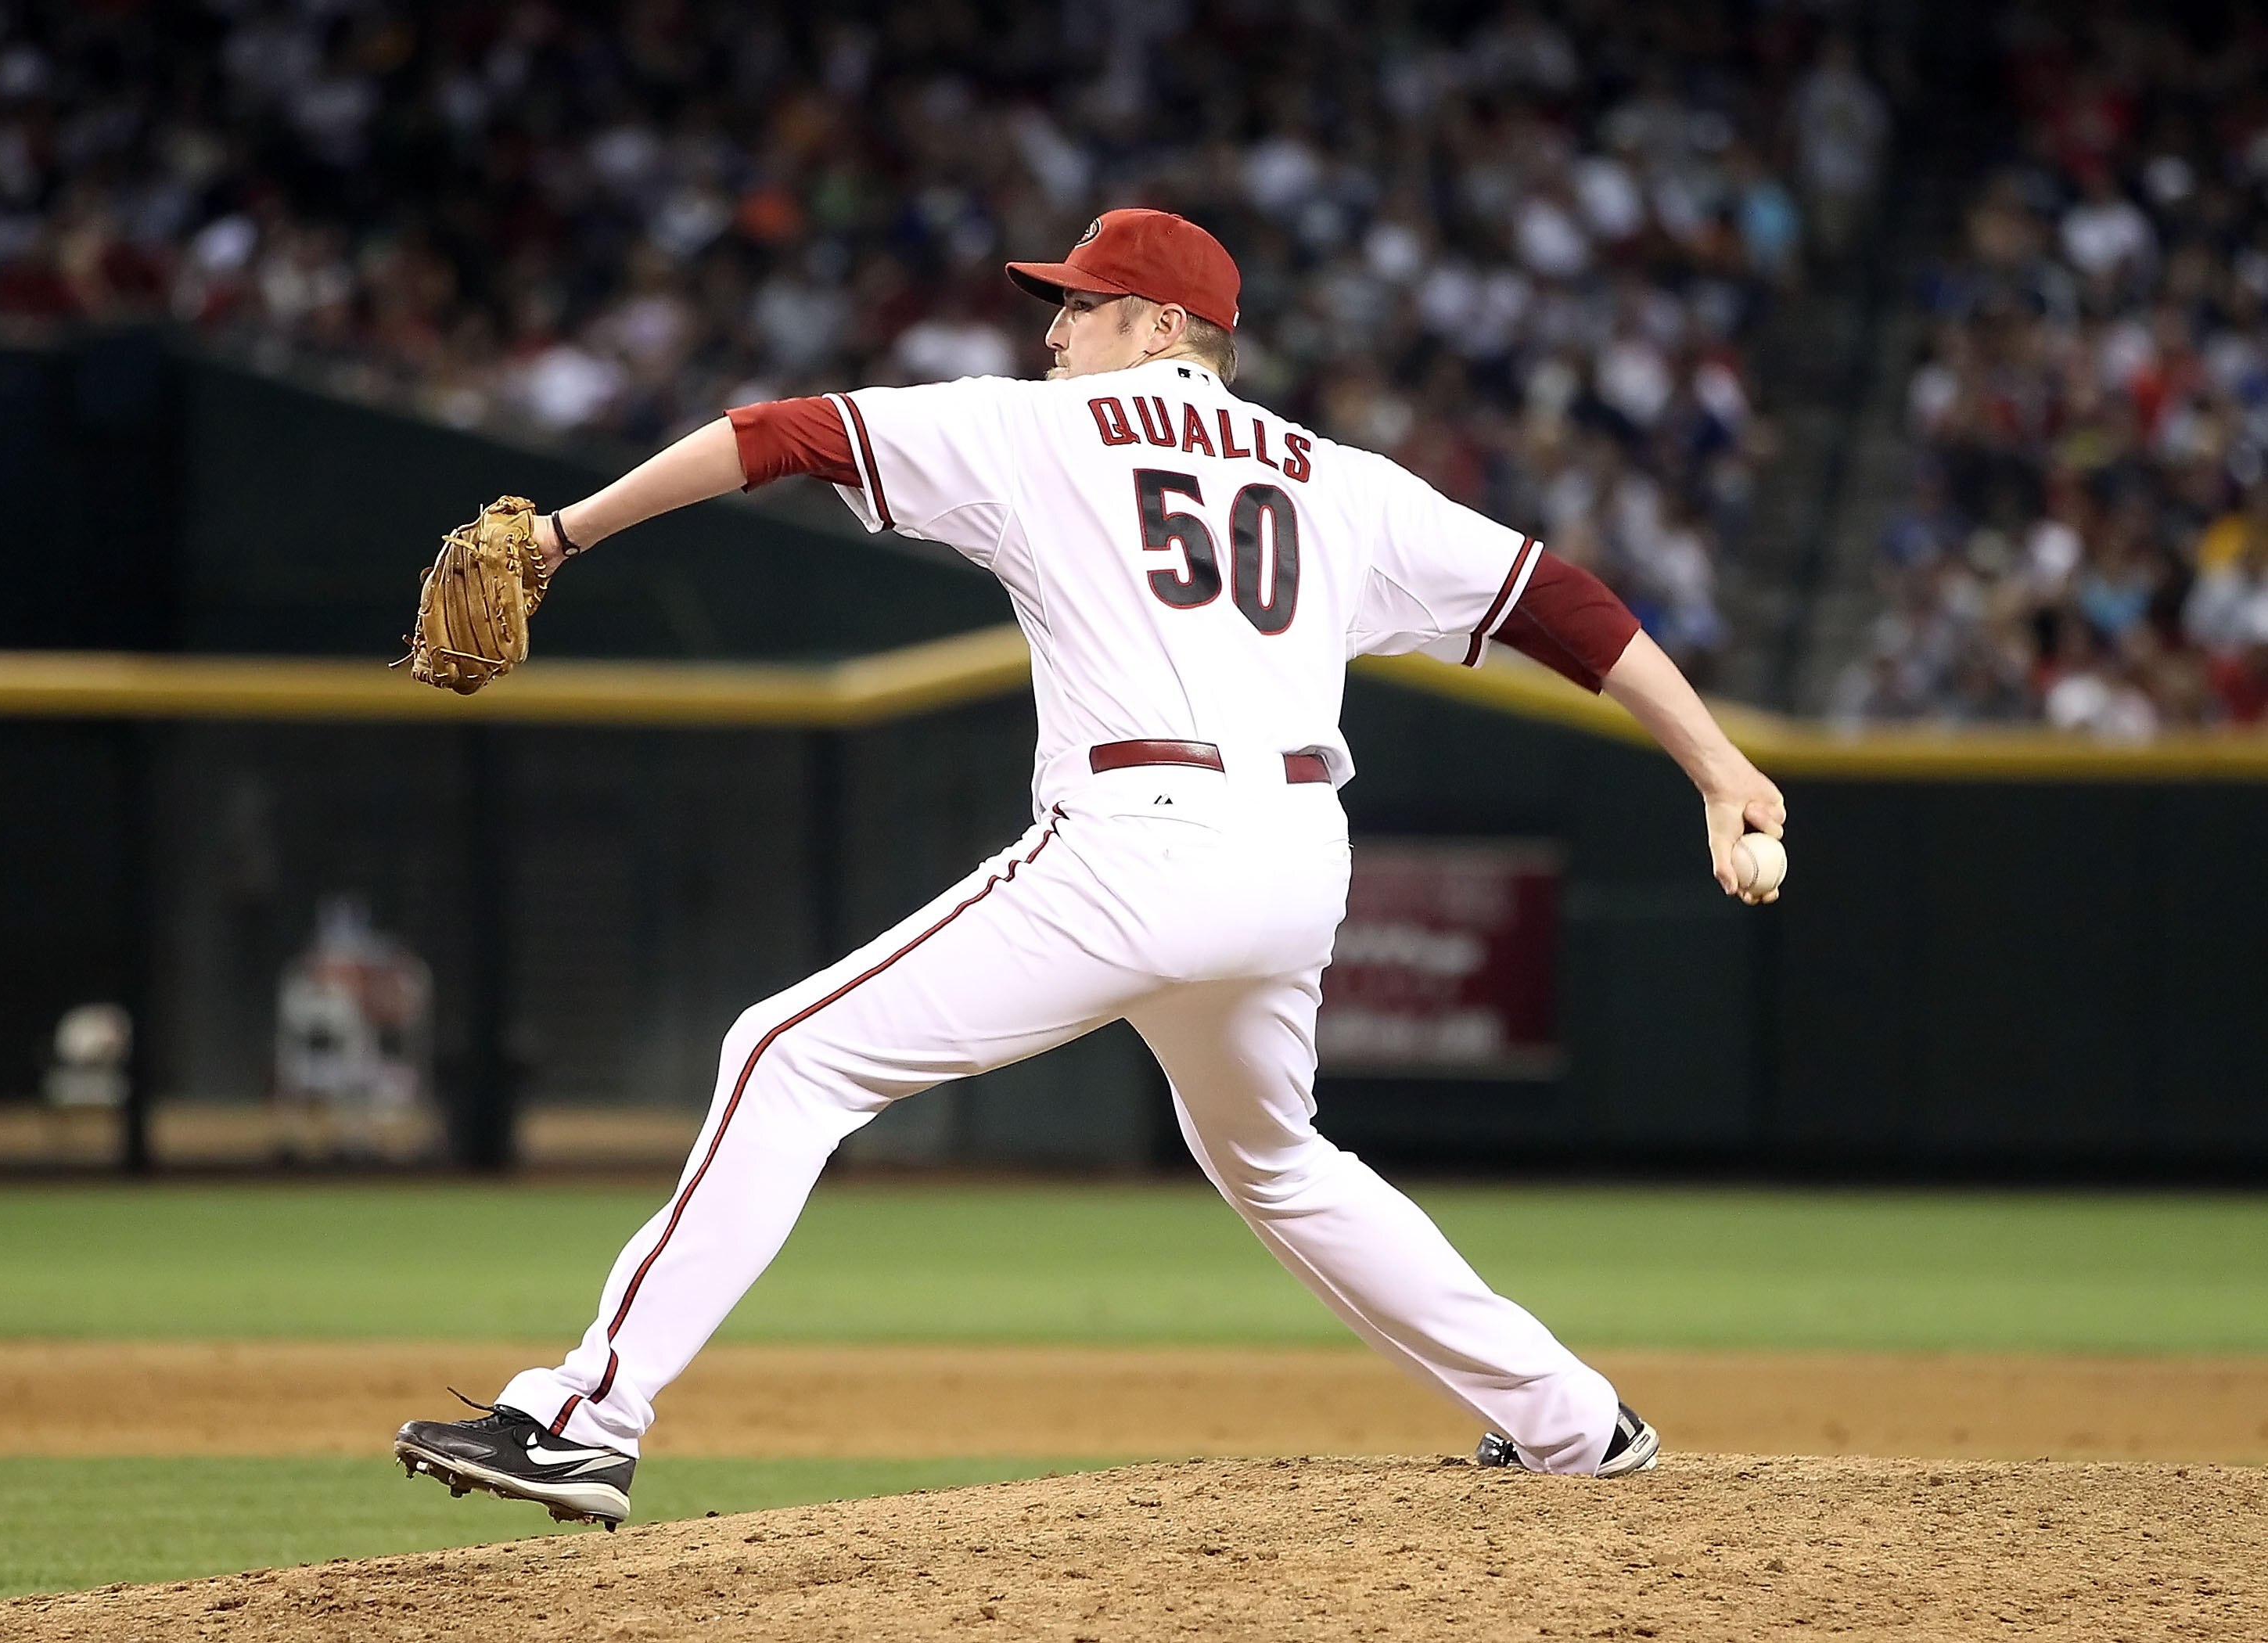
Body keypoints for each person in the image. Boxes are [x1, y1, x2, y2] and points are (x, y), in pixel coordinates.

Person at [394, 209, 1786, 1526]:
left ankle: (584, 1415)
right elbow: (1563, 601)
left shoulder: (1038, 431)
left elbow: (777, 436)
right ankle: (1570, 1424)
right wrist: (1718, 767)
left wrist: (567, 532)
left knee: (787, 1053)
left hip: (1142, 839)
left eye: (1076, 306)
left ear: (1158, 324)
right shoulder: (1344, 482)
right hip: (1302, 862)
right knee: (1272, 1153)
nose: (1052, 332)